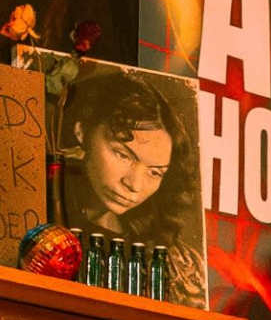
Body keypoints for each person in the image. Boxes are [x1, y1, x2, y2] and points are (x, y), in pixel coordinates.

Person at [54, 68, 195, 237]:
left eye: (155, 172)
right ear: (82, 131)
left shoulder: (149, 244)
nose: (134, 185)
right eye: (123, 155)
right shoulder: (41, 200)